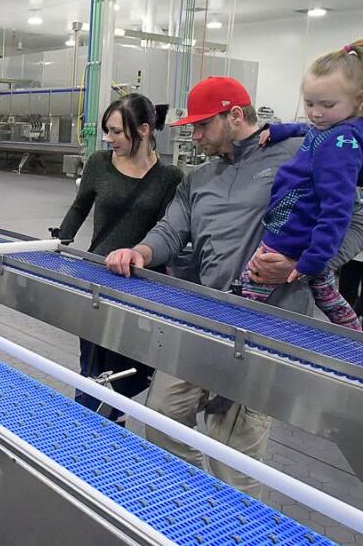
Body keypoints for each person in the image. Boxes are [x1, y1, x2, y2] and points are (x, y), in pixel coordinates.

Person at [103, 76, 363, 498]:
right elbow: (172, 229)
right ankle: (201, 502)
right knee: (161, 419)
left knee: (235, 461)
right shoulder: (199, 178)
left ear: (235, 116)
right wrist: (142, 252)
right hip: (206, 318)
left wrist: (301, 266)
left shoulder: (299, 156)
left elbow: (354, 219)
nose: (195, 135)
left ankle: (232, 520)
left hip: (268, 330)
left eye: (204, 125)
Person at [57, 93, 183, 423]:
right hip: (96, 278)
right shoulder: (99, 163)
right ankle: (85, 427)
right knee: (92, 363)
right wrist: (57, 246)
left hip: (141, 286)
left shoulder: (169, 178)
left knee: (131, 367)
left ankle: (113, 421)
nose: (108, 139)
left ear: (143, 130)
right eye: (107, 131)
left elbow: (170, 232)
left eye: (116, 132)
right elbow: (79, 207)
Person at [240, 40, 363, 330]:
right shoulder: (334, 128)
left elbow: (337, 209)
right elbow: (308, 129)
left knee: (250, 285)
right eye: (309, 103)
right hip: (296, 232)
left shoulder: (341, 143)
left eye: (327, 105)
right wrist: (279, 129)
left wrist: (311, 261)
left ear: (358, 99)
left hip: (291, 237)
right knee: (326, 293)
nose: (315, 112)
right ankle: (355, 337)